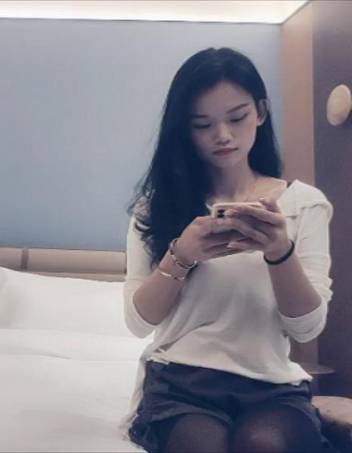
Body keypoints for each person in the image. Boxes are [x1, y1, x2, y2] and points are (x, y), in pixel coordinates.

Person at [122, 48, 334, 452]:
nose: (222, 135)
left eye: (236, 118)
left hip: (271, 387)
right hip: (181, 382)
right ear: (185, 130)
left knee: (263, 444)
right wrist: (181, 256)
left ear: (261, 112)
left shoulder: (304, 204)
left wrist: (279, 252)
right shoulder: (156, 209)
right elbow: (138, 322)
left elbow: (307, 328)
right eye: (203, 124)